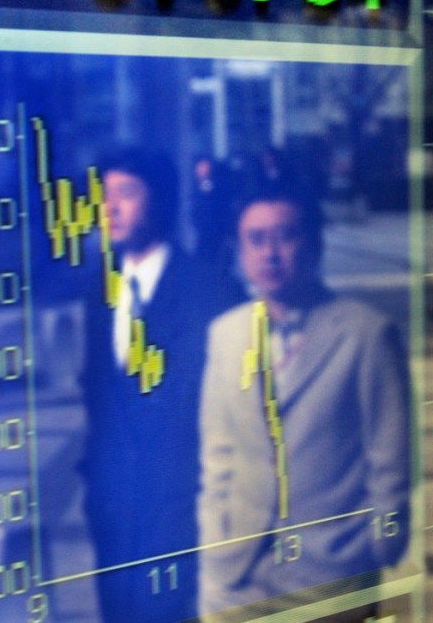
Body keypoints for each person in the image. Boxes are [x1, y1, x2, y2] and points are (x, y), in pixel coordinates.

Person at [198, 179, 409, 618]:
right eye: (256, 239)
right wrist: (214, 538)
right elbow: (218, 452)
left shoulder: (366, 335)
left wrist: (375, 548)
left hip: (331, 576)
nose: (270, 253)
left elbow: (390, 462)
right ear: (240, 250)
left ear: (314, 244)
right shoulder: (226, 334)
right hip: (237, 576)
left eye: (286, 236)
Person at [81, 148, 231, 623]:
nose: (111, 208)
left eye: (126, 194)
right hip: (113, 514)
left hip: (184, 512)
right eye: (103, 196)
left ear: (160, 201)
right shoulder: (100, 292)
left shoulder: (209, 290)